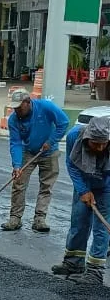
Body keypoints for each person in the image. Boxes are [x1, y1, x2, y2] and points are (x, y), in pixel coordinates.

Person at [52, 115, 110, 285]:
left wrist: (100, 190)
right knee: (78, 222)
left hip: (107, 185)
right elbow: (71, 164)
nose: (100, 148)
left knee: (101, 228)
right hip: (84, 182)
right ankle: (73, 262)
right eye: (95, 144)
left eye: (103, 144)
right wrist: (83, 190)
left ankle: (95, 272)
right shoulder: (74, 136)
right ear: (87, 138)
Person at [1, 88, 69, 233]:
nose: (17, 111)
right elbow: (15, 143)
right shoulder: (13, 119)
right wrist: (17, 165)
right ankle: (15, 218)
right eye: (15, 108)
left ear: (28, 102)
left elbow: (63, 122)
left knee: (46, 186)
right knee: (18, 183)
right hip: (28, 151)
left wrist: (51, 141)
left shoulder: (46, 107)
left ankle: (40, 219)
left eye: (19, 107)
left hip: (49, 152)